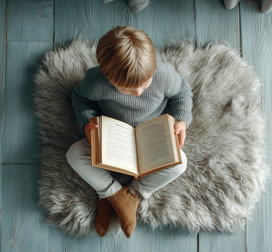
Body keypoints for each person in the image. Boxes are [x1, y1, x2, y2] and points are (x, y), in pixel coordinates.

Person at [66, 26, 193, 238]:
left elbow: (182, 92)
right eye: (128, 90)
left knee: (181, 162)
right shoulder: (95, 82)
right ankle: (112, 194)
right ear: (109, 78)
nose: (139, 93)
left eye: (145, 84)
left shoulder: (163, 75)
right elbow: (79, 98)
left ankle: (134, 194)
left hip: (152, 134)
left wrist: (182, 120)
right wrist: (87, 122)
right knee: (74, 154)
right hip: (113, 135)